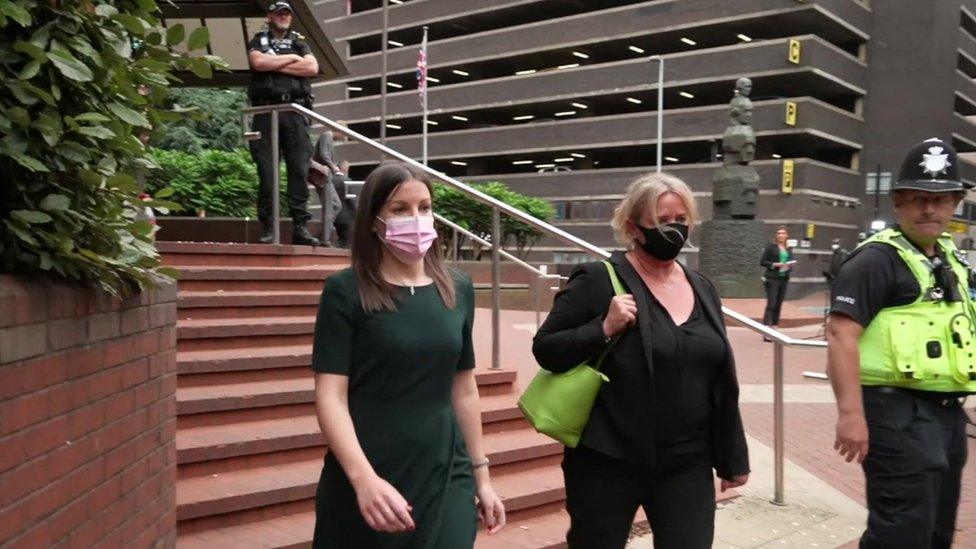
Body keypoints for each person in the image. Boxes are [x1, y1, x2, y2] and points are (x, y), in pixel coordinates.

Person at [532, 172, 749, 549]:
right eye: (663, 221)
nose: (675, 229)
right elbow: (546, 348)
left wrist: (732, 457)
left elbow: (719, 379)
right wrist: (603, 327)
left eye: (681, 220)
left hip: (687, 463)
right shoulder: (600, 279)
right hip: (608, 460)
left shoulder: (701, 286)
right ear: (633, 226)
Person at [310, 162, 506, 547]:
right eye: (399, 209)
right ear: (373, 220)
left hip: (446, 469)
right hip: (368, 470)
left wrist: (482, 477)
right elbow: (330, 396)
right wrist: (363, 479)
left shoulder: (458, 289)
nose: (415, 218)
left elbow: (464, 389)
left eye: (424, 207)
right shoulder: (345, 291)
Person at [827, 137, 976, 548]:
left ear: (955, 203)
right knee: (901, 531)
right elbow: (841, 334)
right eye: (917, 199)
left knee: (937, 529)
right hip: (895, 413)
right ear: (898, 203)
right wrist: (850, 416)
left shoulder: (949, 259)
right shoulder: (876, 260)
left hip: (946, 415)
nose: (929, 209)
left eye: (941, 200)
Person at [247, 1, 321, 246]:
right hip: (266, 111)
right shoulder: (259, 39)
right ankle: (268, 227)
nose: (283, 17)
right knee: (267, 174)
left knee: (299, 172)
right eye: (279, 13)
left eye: (287, 14)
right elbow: (258, 63)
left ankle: (300, 227)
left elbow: (312, 67)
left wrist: (280, 59)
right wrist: (292, 61)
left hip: (295, 112)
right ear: (270, 16)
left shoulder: (299, 41)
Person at [760, 226, 794, 331]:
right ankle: (766, 330)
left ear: (787, 235)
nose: (781, 235)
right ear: (776, 235)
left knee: (779, 304)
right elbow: (762, 262)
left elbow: (791, 260)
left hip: (783, 279)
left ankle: (775, 327)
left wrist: (790, 265)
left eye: (783, 233)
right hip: (772, 279)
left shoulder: (789, 248)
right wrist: (775, 264)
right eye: (779, 233)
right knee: (772, 304)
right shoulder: (771, 246)